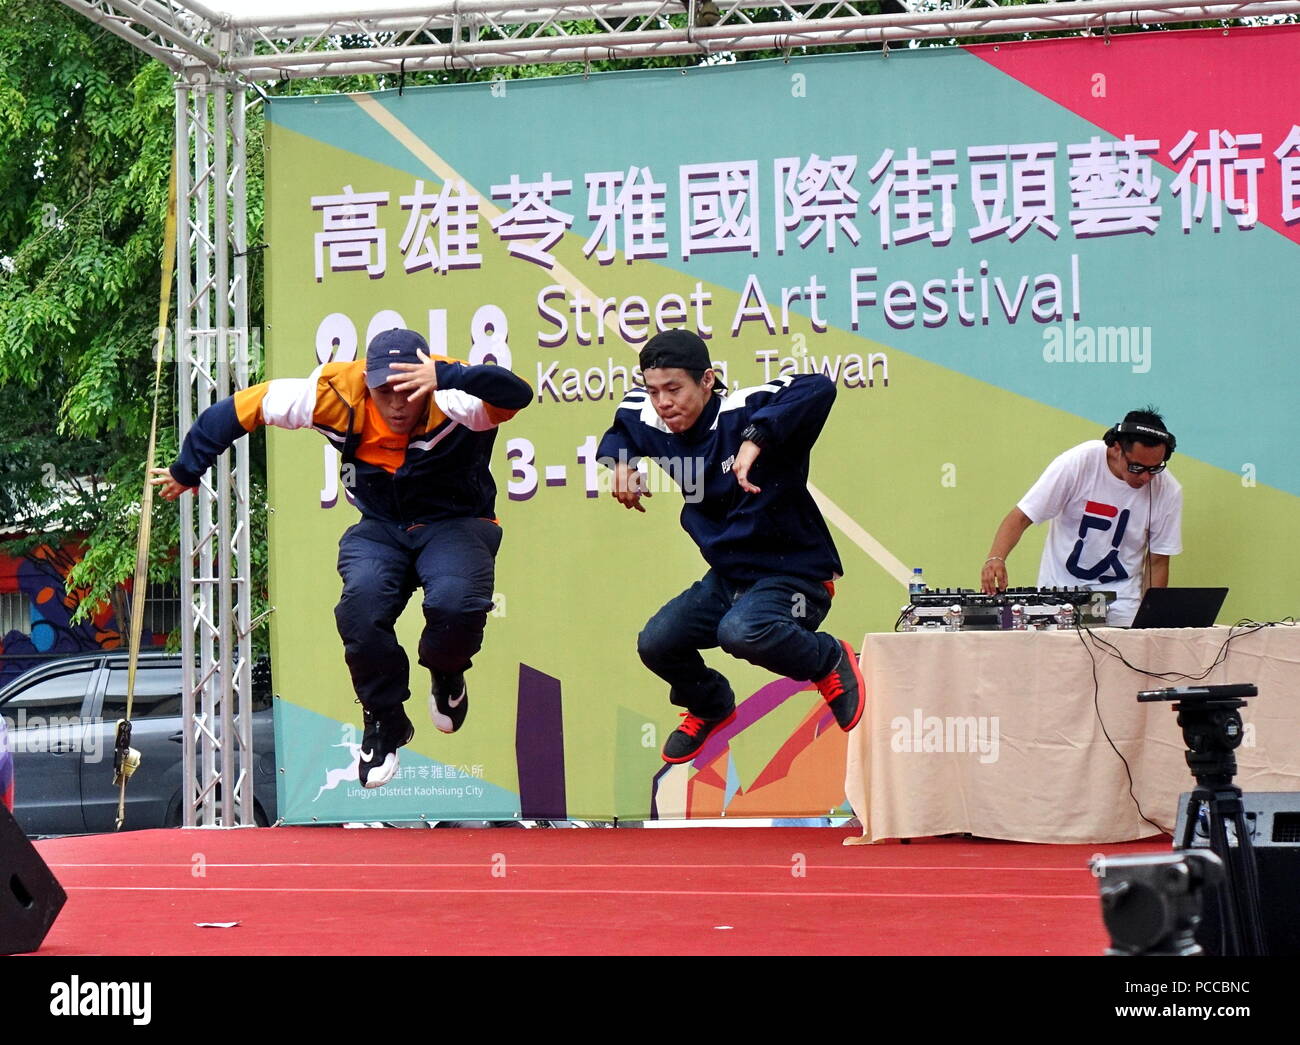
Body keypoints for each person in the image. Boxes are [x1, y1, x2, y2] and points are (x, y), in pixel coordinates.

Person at [151, 328, 532, 787]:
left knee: (454, 604)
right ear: (367, 385)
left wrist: (446, 375)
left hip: (456, 522)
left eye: (406, 391)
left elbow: (517, 394)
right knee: (360, 607)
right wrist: (186, 469)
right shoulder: (331, 396)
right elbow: (237, 410)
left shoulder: (453, 397)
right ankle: (386, 719)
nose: (396, 404)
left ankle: (447, 672)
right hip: (380, 528)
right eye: (383, 392)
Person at [597, 329, 865, 765]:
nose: (663, 403)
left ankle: (829, 659)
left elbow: (819, 386)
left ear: (707, 380)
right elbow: (622, 423)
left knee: (740, 632)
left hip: (796, 574)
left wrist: (756, 438)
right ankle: (709, 703)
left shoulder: (744, 410)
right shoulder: (648, 414)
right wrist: (621, 464)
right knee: (657, 643)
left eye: (674, 389)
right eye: (655, 391)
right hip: (728, 579)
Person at [979, 408, 1182, 626]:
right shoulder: (1079, 462)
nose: (1146, 477)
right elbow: (1022, 516)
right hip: (1058, 593)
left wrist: (1150, 621)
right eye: (1137, 467)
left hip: (1122, 602)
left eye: (1155, 468)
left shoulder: (1168, 490)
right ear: (1116, 448)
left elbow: (1158, 562)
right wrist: (996, 558)